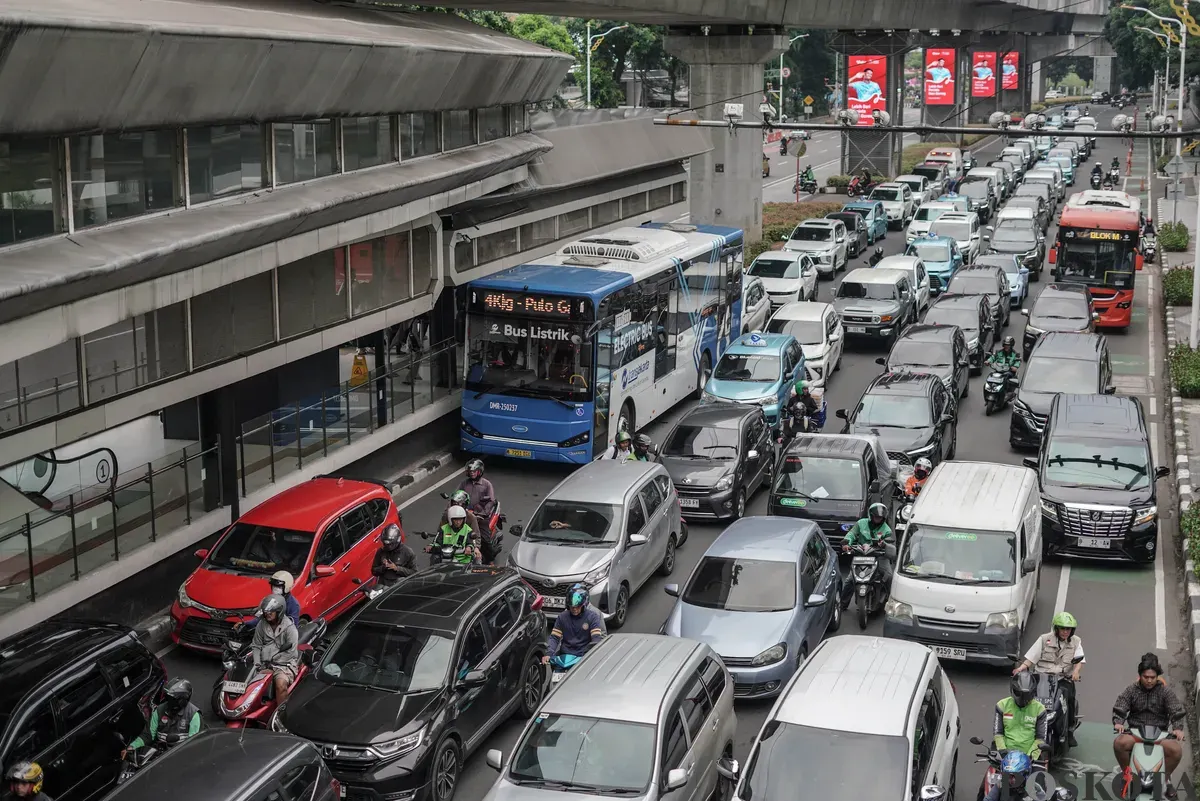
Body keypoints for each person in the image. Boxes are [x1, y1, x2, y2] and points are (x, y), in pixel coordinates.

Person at [1113, 652, 1186, 790]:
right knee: (1119, 743)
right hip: (1136, 733)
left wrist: (1178, 728)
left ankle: (1164, 780)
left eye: (1152, 677)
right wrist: (1118, 722)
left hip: (1160, 735)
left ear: (1157, 677)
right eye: (1146, 677)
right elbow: (1121, 705)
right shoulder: (1131, 690)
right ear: (1140, 675)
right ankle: (1126, 774)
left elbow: (1176, 709)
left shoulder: (1165, 692)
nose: (1149, 681)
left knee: (1176, 751)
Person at [1015, 611, 1084, 746]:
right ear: (1056, 629)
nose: (1065, 632)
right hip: (1041, 677)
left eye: (1068, 629)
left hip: (1063, 679)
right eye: (1063, 628)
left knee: (1067, 701)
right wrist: (1021, 668)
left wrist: (1076, 672)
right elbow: (1031, 657)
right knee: (1027, 697)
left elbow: (1079, 660)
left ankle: (1069, 731)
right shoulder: (1044, 639)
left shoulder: (1076, 641)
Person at [123, 677, 202, 757]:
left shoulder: (193, 716)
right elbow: (148, 735)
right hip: (159, 754)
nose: (168, 701)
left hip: (181, 755)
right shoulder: (159, 710)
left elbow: (194, 746)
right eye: (168, 697)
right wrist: (132, 747)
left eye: (172, 699)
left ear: (182, 700)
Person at [990, 672, 1049, 777]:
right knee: (988, 785)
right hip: (1005, 755)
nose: (1023, 698)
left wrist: (1030, 757)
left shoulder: (1040, 709)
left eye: (1027, 695)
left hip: (1030, 757)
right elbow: (998, 733)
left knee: (1040, 789)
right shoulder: (1002, 705)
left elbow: (1040, 738)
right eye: (1020, 694)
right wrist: (1003, 752)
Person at [250, 594, 300, 706]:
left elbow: (290, 653)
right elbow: (256, 645)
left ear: (279, 612)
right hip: (264, 662)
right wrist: (257, 664)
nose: (267, 613)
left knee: (280, 685)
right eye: (266, 611)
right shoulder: (261, 625)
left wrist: (273, 668)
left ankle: (281, 712)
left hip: (284, 664)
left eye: (271, 611)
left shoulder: (290, 628)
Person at [842, 502, 893, 604]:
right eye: (876, 517)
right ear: (871, 516)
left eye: (880, 518)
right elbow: (851, 534)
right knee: (850, 580)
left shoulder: (887, 530)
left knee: (889, 576)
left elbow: (889, 543)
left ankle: (889, 601)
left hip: (879, 556)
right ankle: (843, 604)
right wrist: (846, 543)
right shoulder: (861, 523)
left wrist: (883, 544)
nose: (878, 519)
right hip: (861, 554)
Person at [543, 583, 605, 663]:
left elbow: (596, 638)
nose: (574, 609)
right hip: (564, 657)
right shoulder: (562, 617)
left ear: (583, 605)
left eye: (577, 607)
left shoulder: (593, 617)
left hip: (583, 658)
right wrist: (549, 653)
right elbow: (555, 637)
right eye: (572, 607)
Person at [236, 571, 300, 632]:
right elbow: (260, 618)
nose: (275, 589)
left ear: (287, 587)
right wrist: (245, 624)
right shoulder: (270, 600)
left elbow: (292, 627)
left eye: (278, 587)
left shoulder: (293, 605)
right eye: (274, 586)